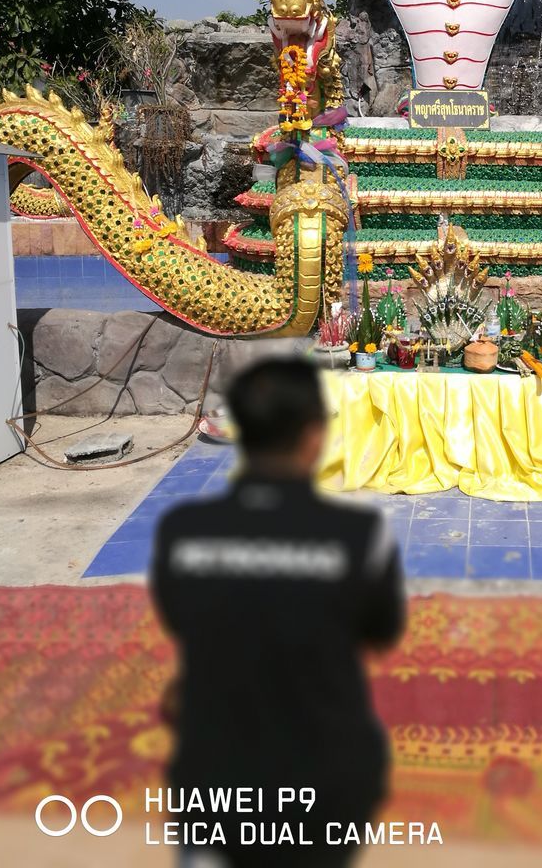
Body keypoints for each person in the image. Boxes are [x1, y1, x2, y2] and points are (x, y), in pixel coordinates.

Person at [151, 357, 406, 866]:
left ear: (238, 433)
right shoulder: (359, 538)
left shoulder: (182, 533)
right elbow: (382, 631)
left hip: (214, 787)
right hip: (325, 787)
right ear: (314, 436)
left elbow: (180, 617)